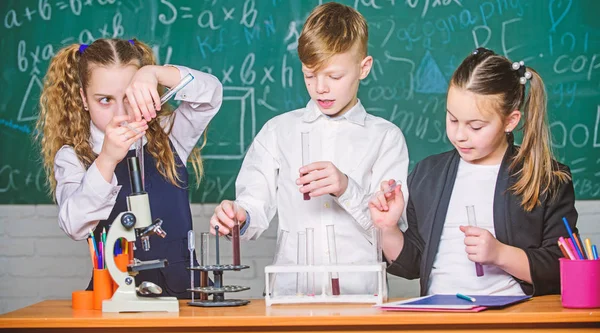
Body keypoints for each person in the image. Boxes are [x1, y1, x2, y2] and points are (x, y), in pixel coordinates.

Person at [209, 2, 409, 296]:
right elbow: (254, 206)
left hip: (362, 296)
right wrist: (239, 217)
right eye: (309, 75)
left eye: (334, 76)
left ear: (363, 68)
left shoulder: (385, 137)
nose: (320, 88)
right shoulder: (278, 132)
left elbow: (391, 228)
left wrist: (346, 188)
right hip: (291, 295)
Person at [369, 48, 578, 296]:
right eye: (453, 120)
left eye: (476, 126)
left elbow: (562, 267)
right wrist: (387, 229)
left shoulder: (545, 179)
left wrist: (500, 254)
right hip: (439, 317)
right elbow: (415, 264)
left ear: (510, 121)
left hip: (513, 319)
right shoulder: (428, 174)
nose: (460, 135)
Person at [36, 38, 223, 298]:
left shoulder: (169, 132)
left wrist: (154, 73)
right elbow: (74, 225)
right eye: (105, 100)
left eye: (129, 97)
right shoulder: (73, 156)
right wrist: (107, 159)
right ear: (84, 99)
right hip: (114, 294)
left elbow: (211, 94)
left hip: (184, 295)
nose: (120, 112)